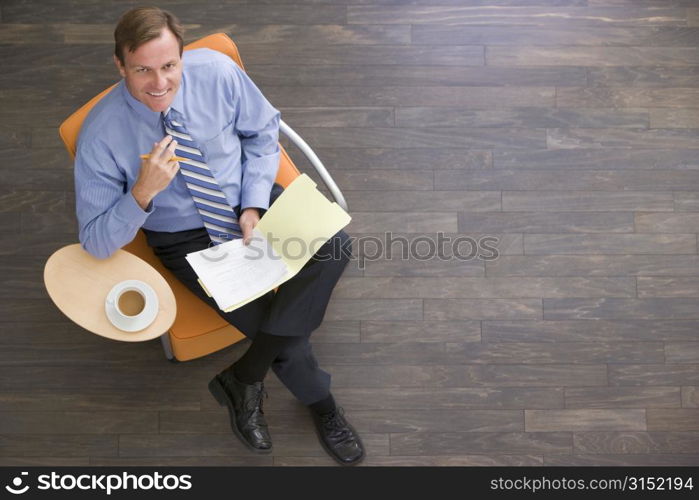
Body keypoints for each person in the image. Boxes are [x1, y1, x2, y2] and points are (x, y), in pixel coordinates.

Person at [74, 6, 364, 465]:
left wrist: (253, 204)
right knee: (286, 340)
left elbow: (262, 130)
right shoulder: (101, 135)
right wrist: (141, 194)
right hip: (185, 237)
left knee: (336, 246)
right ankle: (322, 406)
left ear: (182, 56)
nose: (160, 84)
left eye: (169, 66)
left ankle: (244, 376)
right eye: (142, 70)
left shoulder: (218, 72)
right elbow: (93, 240)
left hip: (249, 199)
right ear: (120, 65)